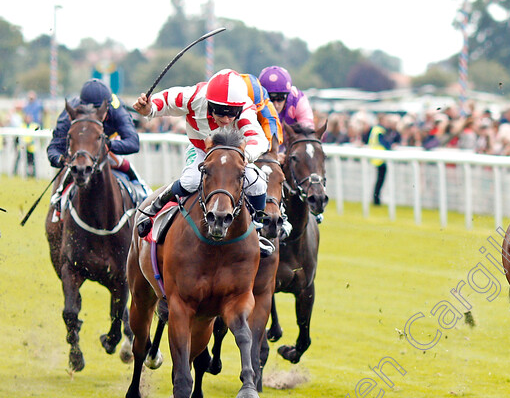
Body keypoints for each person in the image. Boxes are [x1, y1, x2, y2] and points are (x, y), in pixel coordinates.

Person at [132, 68, 276, 257]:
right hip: (201, 150)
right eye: (221, 112)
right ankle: (154, 209)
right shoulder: (193, 96)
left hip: (234, 156)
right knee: (191, 181)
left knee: (257, 183)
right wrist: (149, 108)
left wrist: (242, 156)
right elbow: (164, 101)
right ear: (209, 103)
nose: (226, 119)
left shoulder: (246, 107)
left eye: (232, 113)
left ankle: (257, 231)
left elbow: (259, 139)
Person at [46, 78, 149, 203]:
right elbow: (54, 147)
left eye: (99, 111)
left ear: (106, 108)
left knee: (124, 164)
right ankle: (57, 206)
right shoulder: (71, 112)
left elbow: (133, 143)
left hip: (107, 146)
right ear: (82, 106)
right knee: (67, 173)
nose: (94, 115)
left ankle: (144, 196)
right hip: (80, 150)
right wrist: (60, 159)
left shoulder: (117, 110)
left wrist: (109, 145)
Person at [257, 66, 315, 132]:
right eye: (270, 99)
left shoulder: (297, 99)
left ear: (287, 95)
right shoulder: (255, 102)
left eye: (280, 98)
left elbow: (308, 127)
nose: (275, 105)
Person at [369, 113, 401, 206]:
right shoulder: (380, 130)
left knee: (379, 180)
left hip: (377, 157)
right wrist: (391, 146)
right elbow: (385, 144)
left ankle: (376, 198)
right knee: (380, 180)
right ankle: (376, 200)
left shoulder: (375, 129)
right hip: (380, 158)